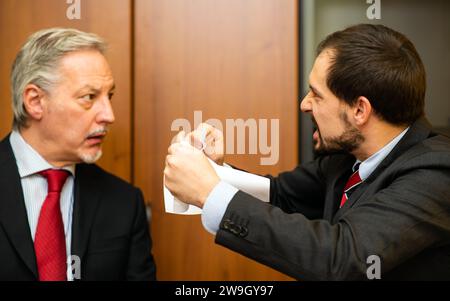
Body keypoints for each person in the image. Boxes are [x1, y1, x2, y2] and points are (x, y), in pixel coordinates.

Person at [164, 24, 450, 280]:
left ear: (360, 110)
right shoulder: (344, 158)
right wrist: (214, 171)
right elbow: (280, 195)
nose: (304, 104)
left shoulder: (436, 172)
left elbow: (344, 258)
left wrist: (210, 193)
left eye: (316, 94)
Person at [0, 28, 156, 281]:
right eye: (89, 97)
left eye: (109, 96)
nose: (109, 115)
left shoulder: (125, 203)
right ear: (35, 101)